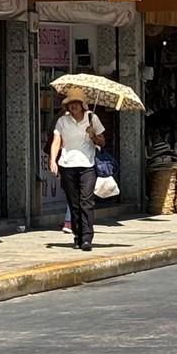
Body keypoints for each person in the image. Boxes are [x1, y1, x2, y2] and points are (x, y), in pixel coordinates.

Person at [49, 87, 106, 251]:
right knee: (73, 204)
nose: (73, 106)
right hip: (67, 166)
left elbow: (102, 141)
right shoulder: (62, 121)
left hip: (87, 166)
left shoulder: (92, 118)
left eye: (76, 103)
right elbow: (56, 141)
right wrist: (53, 160)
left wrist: (93, 135)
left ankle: (87, 237)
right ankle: (77, 235)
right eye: (70, 103)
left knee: (86, 202)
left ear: (82, 105)